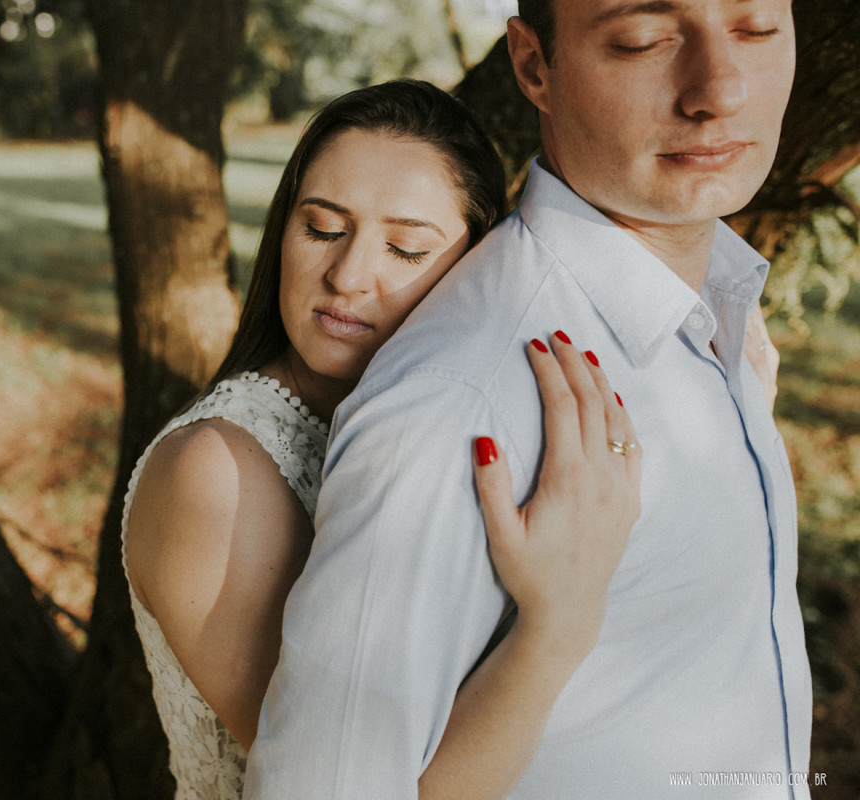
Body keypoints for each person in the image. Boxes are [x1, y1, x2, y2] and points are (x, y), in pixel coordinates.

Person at [245, 2, 810, 799]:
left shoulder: (725, 316)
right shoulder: (461, 397)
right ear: (534, 65)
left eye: (756, 30)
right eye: (643, 41)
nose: (719, 89)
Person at [122, 79, 644, 799]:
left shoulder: (459, 425)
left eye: (404, 248)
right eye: (324, 230)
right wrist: (559, 622)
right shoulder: (214, 477)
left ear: (477, 266)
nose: (347, 274)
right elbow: (356, 783)